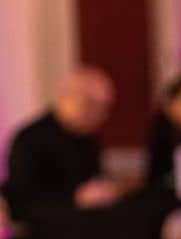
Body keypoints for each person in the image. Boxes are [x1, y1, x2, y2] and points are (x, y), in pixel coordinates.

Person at [2, 68, 116, 225]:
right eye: (90, 104)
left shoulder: (88, 140)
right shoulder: (30, 139)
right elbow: (21, 202)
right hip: (43, 236)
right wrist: (75, 198)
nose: (98, 115)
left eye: (104, 108)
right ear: (66, 97)